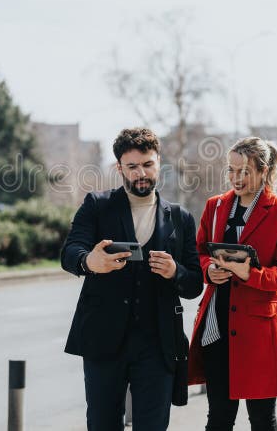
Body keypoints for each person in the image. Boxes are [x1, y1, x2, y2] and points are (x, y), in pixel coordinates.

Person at [62, 127, 204, 431]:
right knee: (102, 425)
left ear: (159, 163)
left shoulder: (180, 218)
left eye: (148, 164)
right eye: (132, 166)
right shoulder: (97, 206)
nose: (141, 173)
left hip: (158, 344)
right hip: (104, 340)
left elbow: (195, 283)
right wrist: (90, 261)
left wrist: (175, 272)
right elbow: (70, 251)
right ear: (119, 168)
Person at [187, 136, 277, 431]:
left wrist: (250, 274)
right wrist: (208, 272)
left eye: (245, 171)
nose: (236, 178)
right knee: (219, 418)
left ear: (264, 171)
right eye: (231, 170)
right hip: (218, 327)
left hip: (260, 332)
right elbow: (199, 252)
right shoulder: (214, 207)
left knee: (262, 419)